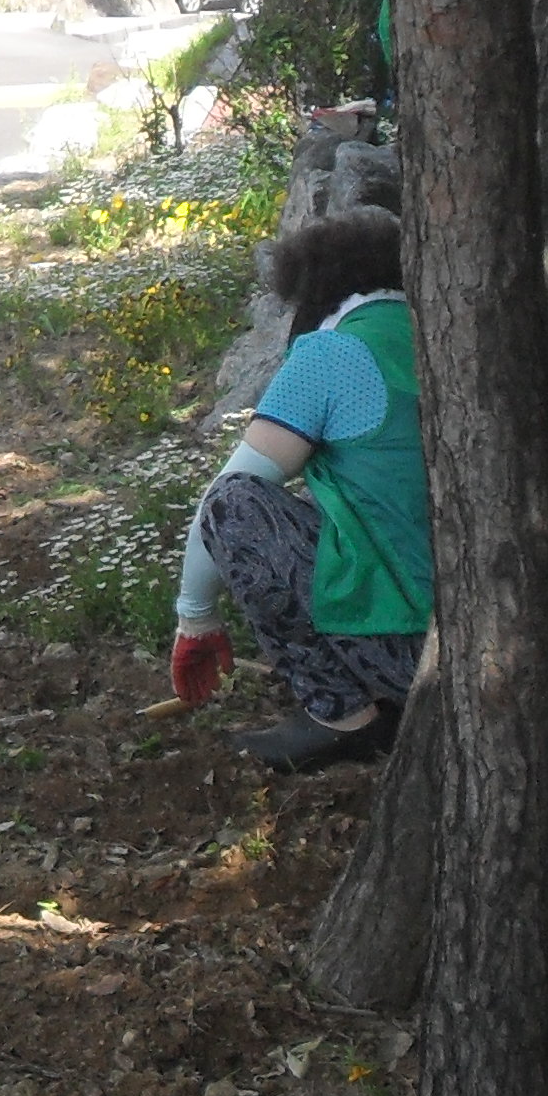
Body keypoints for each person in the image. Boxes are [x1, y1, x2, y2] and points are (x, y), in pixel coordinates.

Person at [167, 210, 432, 772]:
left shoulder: (330, 355)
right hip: (487, 631)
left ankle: (342, 719)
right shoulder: (435, 331)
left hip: (410, 651)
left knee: (236, 507)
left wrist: (195, 616)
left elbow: (230, 494)